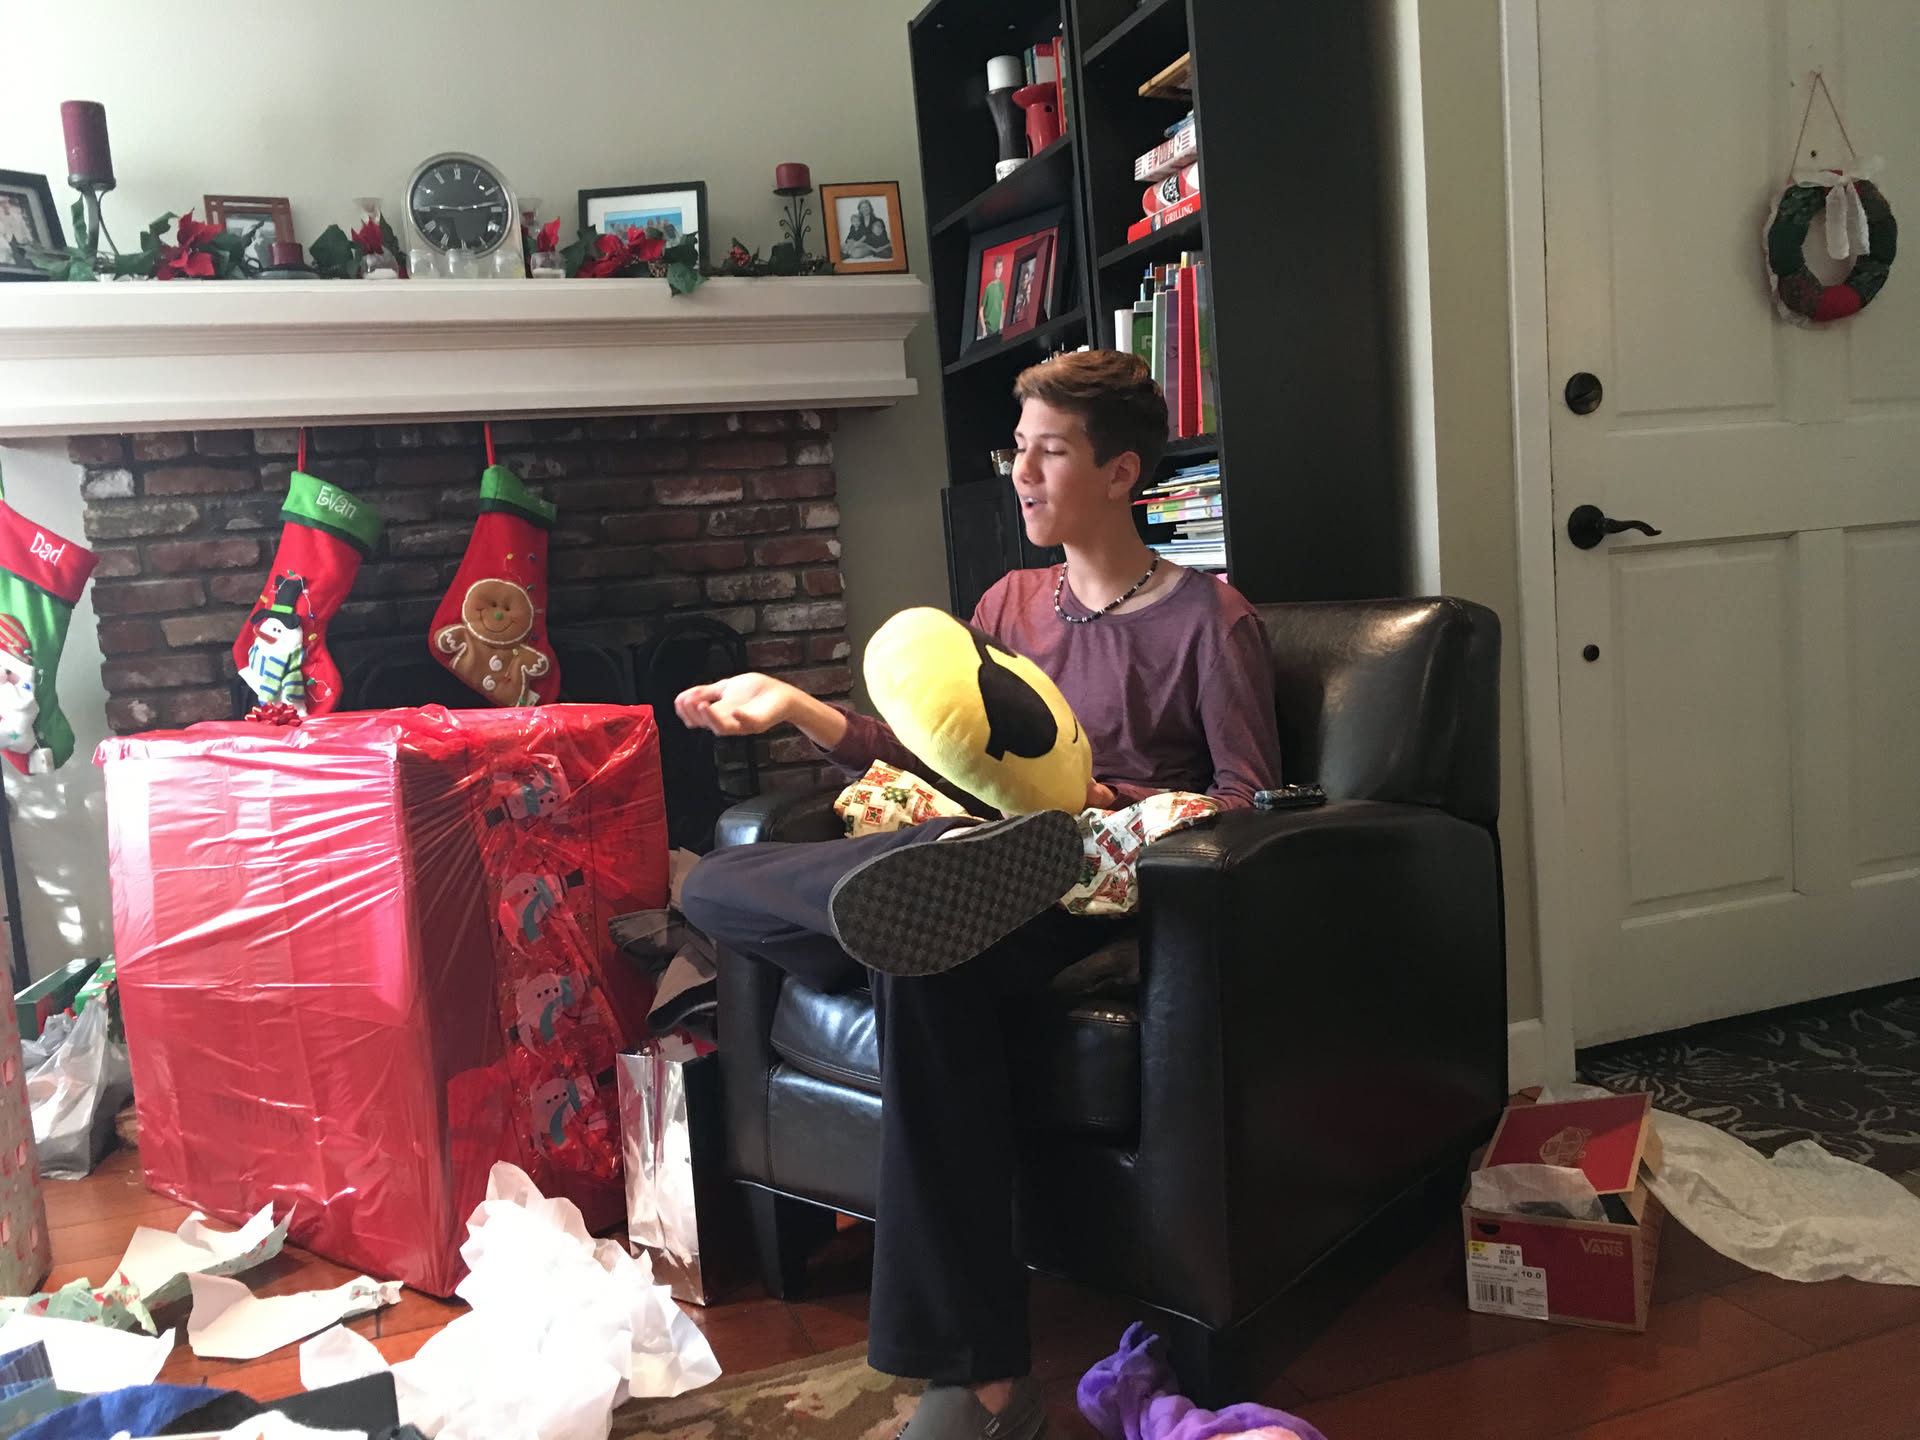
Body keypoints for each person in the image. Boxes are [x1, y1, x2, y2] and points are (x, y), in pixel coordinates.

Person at [674, 349, 1280, 1440]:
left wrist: (1105, 797)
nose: (1023, 476)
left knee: (928, 955)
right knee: (719, 883)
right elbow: (933, 748)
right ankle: (906, 885)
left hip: (1084, 883)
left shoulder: (1211, 620)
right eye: (1018, 452)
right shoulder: (1010, 603)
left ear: (1121, 471)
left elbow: (1247, 799)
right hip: (969, 857)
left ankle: (984, 1384)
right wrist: (796, 707)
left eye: (1050, 453)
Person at [978, 255, 1007, 338]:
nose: (998, 270)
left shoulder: (1002, 285)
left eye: (1000, 268)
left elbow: (1002, 303)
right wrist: (984, 328)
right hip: (988, 330)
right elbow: (981, 310)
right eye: (997, 268)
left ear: (1002, 269)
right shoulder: (988, 288)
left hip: (998, 329)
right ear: (994, 269)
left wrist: (1001, 323)